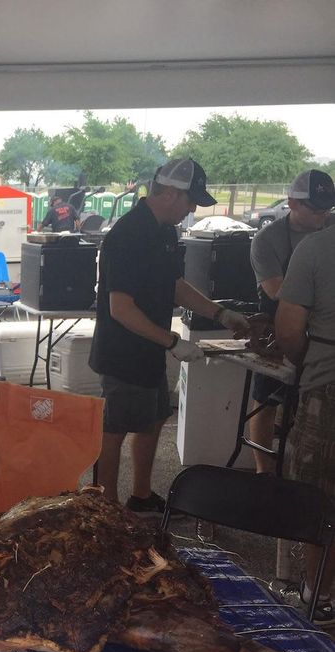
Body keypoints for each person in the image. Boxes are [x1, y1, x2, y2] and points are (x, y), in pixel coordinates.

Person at [89, 158, 250, 514]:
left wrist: (219, 312)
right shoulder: (128, 234)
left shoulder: (165, 231)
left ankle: (141, 496)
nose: (193, 208)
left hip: (149, 349)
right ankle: (105, 508)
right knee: (113, 430)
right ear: (169, 193)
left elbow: (175, 285)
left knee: (153, 418)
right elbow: (121, 308)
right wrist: (173, 342)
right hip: (122, 352)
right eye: (190, 199)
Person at [248, 170, 335, 474]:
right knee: (265, 400)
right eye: (315, 208)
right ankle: (263, 469)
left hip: (320, 332)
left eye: (328, 207)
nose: (323, 215)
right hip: (281, 325)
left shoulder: (329, 229)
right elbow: (277, 291)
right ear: (292, 203)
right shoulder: (266, 240)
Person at [275, 221, 335, 625]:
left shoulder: (316, 248)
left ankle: (320, 596)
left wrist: (305, 365)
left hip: (327, 389)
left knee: (318, 496)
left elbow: (289, 331)